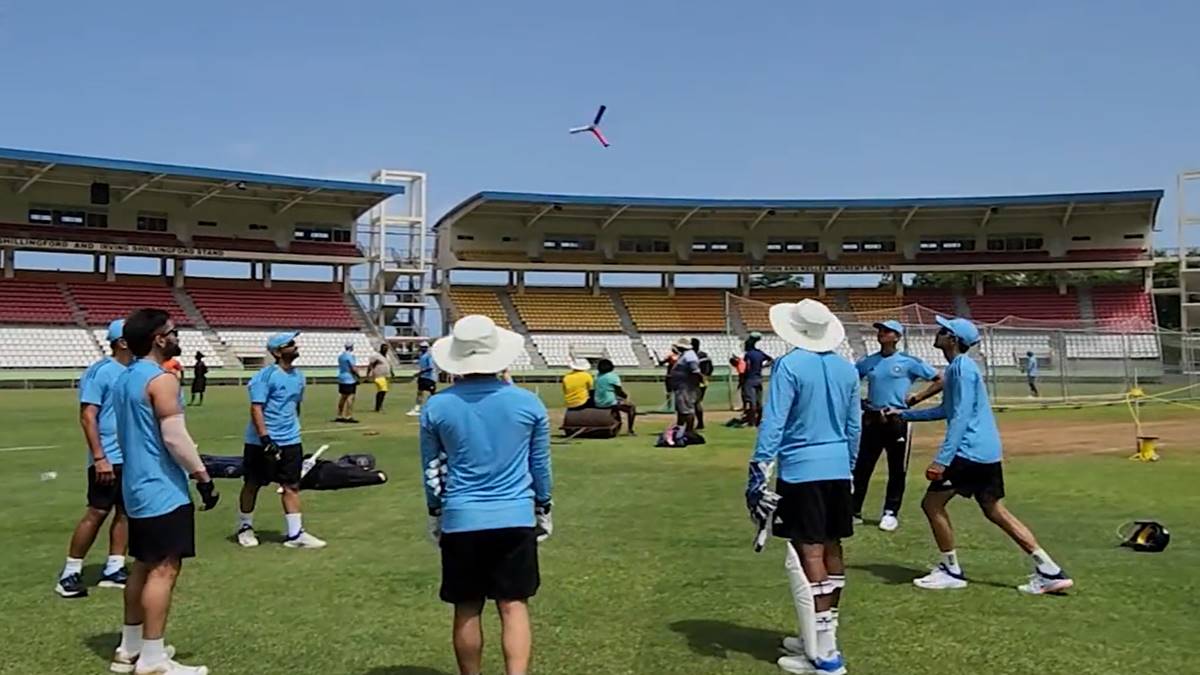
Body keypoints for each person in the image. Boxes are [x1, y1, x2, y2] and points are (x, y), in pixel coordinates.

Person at [890, 316, 1073, 595]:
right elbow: (946, 411)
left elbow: (960, 417)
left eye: (943, 331)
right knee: (995, 510)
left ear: (952, 340)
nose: (937, 333)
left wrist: (943, 459)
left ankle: (951, 570)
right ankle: (1049, 569)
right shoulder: (959, 368)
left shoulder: (961, 368)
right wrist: (904, 414)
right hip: (986, 452)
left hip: (969, 451)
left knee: (931, 504)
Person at [420, 315, 553, 675]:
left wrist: (436, 512)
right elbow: (539, 466)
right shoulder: (528, 404)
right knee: (513, 605)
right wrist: (544, 504)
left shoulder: (436, 407)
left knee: (466, 607)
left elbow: (432, 471)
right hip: (515, 515)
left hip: (461, 516)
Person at [745, 299, 860, 675]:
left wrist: (759, 468)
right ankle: (820, 630)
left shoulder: (790, 365)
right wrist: (851, 465)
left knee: (809, 552)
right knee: (832, 547)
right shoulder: (846, 369)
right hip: (839, 466)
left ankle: (826, 652)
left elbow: (774, 422)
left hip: (802, 469)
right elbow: (853, 425)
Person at [111, 308, 219, 675]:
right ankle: (154, 660)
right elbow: (175, 437)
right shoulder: (162, 380)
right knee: (164, 569)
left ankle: (131, 647)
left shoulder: (125, 378)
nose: (178, 337)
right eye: (173, 331)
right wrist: (203, 476)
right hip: (162, 487)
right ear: (159, 338)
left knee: (141, 565)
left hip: (135, 485)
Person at [56, 318, 133, 599]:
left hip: (132, 457)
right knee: (97, 512)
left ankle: (114, 568)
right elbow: (88, 416)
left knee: (126, 512)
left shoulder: (137, 371)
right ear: (122, 342)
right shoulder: (101, 372)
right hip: (108, 456)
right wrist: (100, 457)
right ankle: (70, 573)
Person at [234, 332, 326, 550]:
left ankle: (295, 534)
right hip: (261, 442)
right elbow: (257, 407)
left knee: (291, 486)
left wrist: (294, 430)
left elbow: (295, 406)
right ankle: (245, 528)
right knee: (252, 483)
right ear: (277, 352)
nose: (295, 346)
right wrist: (265, 438)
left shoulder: (299, 376)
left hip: (290, 440)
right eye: (290, 344)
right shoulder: (265, 376)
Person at [851, 320, 943, 533]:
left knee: (897, 468)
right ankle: (853, 510)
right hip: (872, 418)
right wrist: (861, 402)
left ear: (897, 337)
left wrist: (916, 399)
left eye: (886, 331)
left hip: (897, 420)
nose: (881, 334)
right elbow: (850, 383)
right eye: (879, 330)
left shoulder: (908, 362)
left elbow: (940, 379)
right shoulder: (868, 362)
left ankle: (890, 512)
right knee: (862, 467)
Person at [666, 338, 702, 434]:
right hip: (681, 386)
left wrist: (697, 383)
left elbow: (696, 372)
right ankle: (680, 429)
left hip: (686, 387)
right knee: (681, 409)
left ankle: (689, 431)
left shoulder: (689, 356)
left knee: (687, 410)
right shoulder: (685, 355)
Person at [594, 358, 636, 435]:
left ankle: (617, 423)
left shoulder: (598, 376)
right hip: (609, 402)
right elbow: (619, 391)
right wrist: (626, 396)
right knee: (631, 408)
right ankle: (630, 430)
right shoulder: (612, 376)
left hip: (598, 402)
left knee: (617, 401)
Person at [742, 332, 773, 427]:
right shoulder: (760, 353)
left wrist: (743, 377)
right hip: (759, 379)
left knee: (752, 402)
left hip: (750, 380)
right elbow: (771, 360)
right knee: (759, 401)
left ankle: (752, 422)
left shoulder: (748, 354)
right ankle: (759, 421)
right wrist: (763, 366)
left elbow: (747, 367)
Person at [408, 341, 437, 416]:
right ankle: (417, 408)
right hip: (422, 377)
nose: (422, 348)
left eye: (424, 347)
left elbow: (430, 367)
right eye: (421, 347)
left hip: (429, 377)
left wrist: (420, 373)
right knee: (420, 392)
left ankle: (433, 407)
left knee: (432, 393)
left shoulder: (429, 356)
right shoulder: (421, 355)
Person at [335, 340, 360, 423]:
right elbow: (353, 368)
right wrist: (358, 375)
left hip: (341, 377)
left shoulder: (341, 356)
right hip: (350, 378)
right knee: (350, 397)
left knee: (342, 397)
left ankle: (339, 415)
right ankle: (348, 416)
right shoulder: (350, 356)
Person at [691, 338, 713, 430]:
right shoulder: (705, 355)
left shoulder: (693, 356)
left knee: (695, 402)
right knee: (697, 402)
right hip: (704, 381)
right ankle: (699, 423)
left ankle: (699, 423)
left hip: (695, 382)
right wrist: (707, 376)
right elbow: (711, 367)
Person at [368, 343, 393, 413]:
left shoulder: (387, 356)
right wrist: (368, 374)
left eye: (387, 348)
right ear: (381, 348)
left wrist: (391, 372)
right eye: (384, 348)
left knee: (382, 391)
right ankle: (378, 406)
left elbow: (389, 365)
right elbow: (370, 365)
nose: (386, 350)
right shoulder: (376, 356)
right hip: (378, 376)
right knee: (383, 390)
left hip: (385, 376)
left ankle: (378, 406)